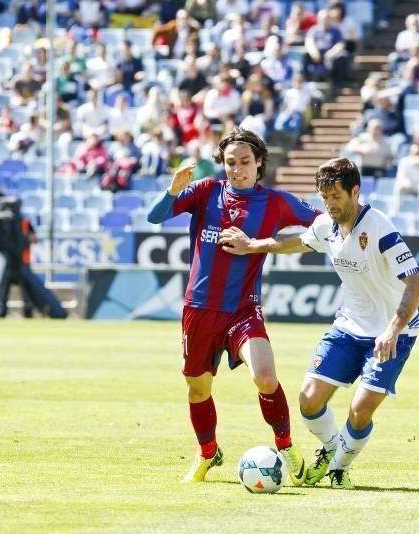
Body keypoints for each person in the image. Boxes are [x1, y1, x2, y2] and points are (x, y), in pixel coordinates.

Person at [218, 157, 419, 490]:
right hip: (348, 326)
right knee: (309, 399)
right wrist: (252, 246)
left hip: (392, 334)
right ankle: (333, 450)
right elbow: (293, 242)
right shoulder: (325, 226)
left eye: (337, 197)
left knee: (360, 412)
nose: (330, 205)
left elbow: (417, 285)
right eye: (325, 198)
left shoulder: (379, 226)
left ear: (355, 191)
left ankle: (339, 468)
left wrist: (391, 330)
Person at [146, 127, 319, 485]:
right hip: (199, 309)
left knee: (265, 377)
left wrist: (259, 243)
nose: (237, 169)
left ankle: (285, 446)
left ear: (258, 163)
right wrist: (174, 190)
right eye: (230, 162)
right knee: (198, 390)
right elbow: (154, 216)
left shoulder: (276, 202)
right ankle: (208, 453)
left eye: (244, 162)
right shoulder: (206, 191)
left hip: (243, 309)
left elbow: (321, 223)